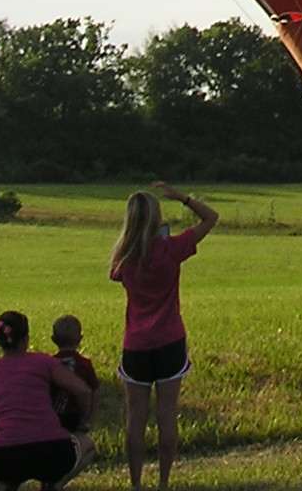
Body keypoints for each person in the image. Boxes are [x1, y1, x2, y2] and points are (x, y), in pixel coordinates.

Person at [110, 183, 219, 490]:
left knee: (135, 417)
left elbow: (117, 273)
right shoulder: (170, 249)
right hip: (170, 339)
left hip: (135, 344)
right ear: (157, 219)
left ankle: (135, 482)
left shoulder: (125, 258)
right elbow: (211, 218)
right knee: (167, 415)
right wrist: (183, 198)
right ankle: (163, 482)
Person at [0, 312, 93, 490]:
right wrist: (82, 419)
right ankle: (56, 484)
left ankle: (2, 486)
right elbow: (83, 391)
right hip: (54, 452)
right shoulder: (44, 362)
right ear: (26, 338)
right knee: (88, 445)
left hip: (6, 458)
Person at [47, 315, 98, 452]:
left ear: (53, 339)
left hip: (51, 418)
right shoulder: (85, 364)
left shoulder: (49, 364)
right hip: (74, 418)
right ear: (80, 339)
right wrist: (88, 418)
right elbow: (93, 391)